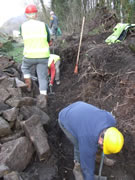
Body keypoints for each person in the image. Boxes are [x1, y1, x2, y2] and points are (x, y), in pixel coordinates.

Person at [58, 101, 124, 180]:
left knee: (97, 145)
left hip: (80, 108)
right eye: (104, 146)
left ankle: (98, 157)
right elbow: (87, 168)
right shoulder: (87, 140)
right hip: (65, 118)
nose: (103, 148)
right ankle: (77, 168)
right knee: (79, 146)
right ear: (101, 140)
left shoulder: (111, 120)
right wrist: (89, 178)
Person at [21, 4, 51, 106]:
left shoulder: (23, 26)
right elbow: (49, 39)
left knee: (24, 68)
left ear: (26, 15)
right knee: (42, 77)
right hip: (43, 56)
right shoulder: (43, 25)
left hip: (29, 56)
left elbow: (23, 37)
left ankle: (28, 84)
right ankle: (44, 99)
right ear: (36, 15)